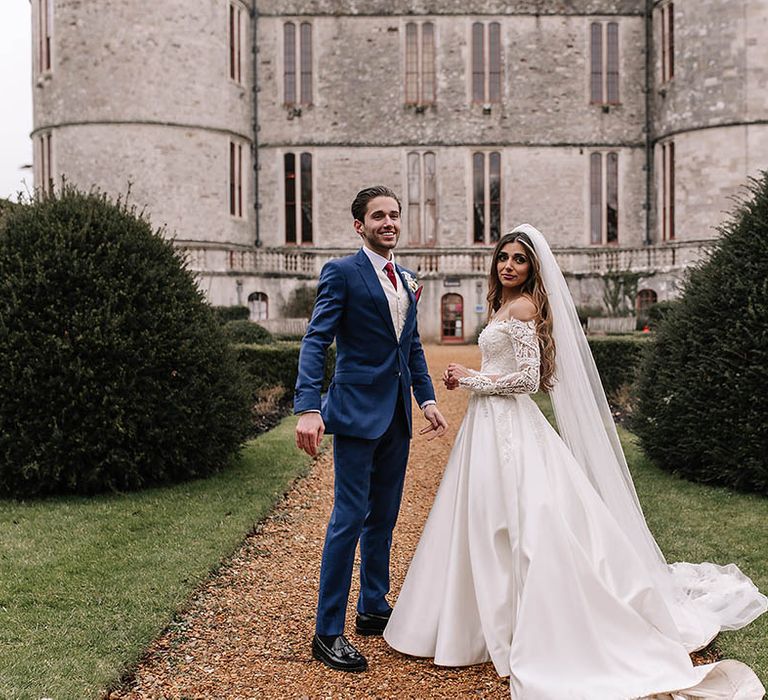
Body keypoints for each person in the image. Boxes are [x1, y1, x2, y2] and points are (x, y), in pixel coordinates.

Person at [384, 224, 767, 699]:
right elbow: (507, 370)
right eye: (504, 257)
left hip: (509, 425)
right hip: (486, 427)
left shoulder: (523, 306)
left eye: (519, 260)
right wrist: (474, 376)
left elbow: (528, 380)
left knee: (523, 521)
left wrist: (471, 379)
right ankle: (474, 622)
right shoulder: (502, 304)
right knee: (482, 518)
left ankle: (520, 622)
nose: (509, 265)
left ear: (532, 268)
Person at [294, 185, 448, 673]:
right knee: (348, 517)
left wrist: (426, 399)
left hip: (397, 416)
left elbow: (412, 347)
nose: (389, 222)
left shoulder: (406, 277)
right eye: (378, 216)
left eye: (395, 215)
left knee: (383, 516)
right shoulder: (342, 272)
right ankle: (328, 630)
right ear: (359, 225)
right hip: (356, 414)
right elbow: (316, 341)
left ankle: (373, 607)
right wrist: (308, 407)